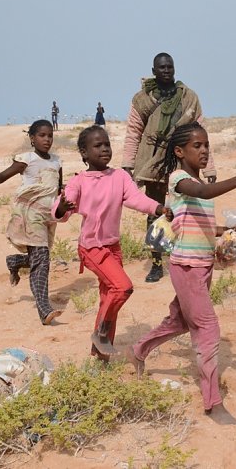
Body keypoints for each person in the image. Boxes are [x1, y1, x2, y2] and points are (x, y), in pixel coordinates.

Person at [126, 122, 236, 424]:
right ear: (179, 151)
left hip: (202, 266)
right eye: (197, 146)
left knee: (179, 321)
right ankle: (212, 402)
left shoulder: (199, 184)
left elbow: (200, 225)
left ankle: (138, 350)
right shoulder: (179, 180)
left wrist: (227, 231)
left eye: (207, 145)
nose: (204, 151)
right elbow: (202, 190)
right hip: (187, 266)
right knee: (208, 329)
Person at [53, 125, 172, 360]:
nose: (105, 149)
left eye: (107, 144)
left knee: (109, 297)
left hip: (113, 247)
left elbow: (136, 198)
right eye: (97, 146)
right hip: (91, 247)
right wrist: (61, 208)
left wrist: (158, 208)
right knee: (122, 287)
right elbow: (60, 212)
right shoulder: (79, 181)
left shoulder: (119, 176)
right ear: (84, 153)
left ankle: (100, 358)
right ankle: (101, 334)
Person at [122, 52, 216, 283]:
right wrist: (127, 165)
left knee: (186, 208)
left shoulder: (188, 97)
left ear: (174, 69)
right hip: (152, 161)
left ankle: (185, 254)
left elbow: (201, 133)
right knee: (156, 212)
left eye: (169, 67)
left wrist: (209, 168)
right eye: (161, 68)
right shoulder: (142, 99)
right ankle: (156, 263)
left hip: (182, 159)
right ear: (154, 71)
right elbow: (133, 132)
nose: (166, 71)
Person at [0, 120, 63, 326]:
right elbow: (5, 174)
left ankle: (15, 261)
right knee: (42, 260)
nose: (47, 139)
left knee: (38, 258)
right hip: (29, 215)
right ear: (32, 138)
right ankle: (44, 309)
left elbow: (58, 188)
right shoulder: (27, 159)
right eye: (42, 135)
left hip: (48, 216)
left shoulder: (56, 161)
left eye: (50, 136)